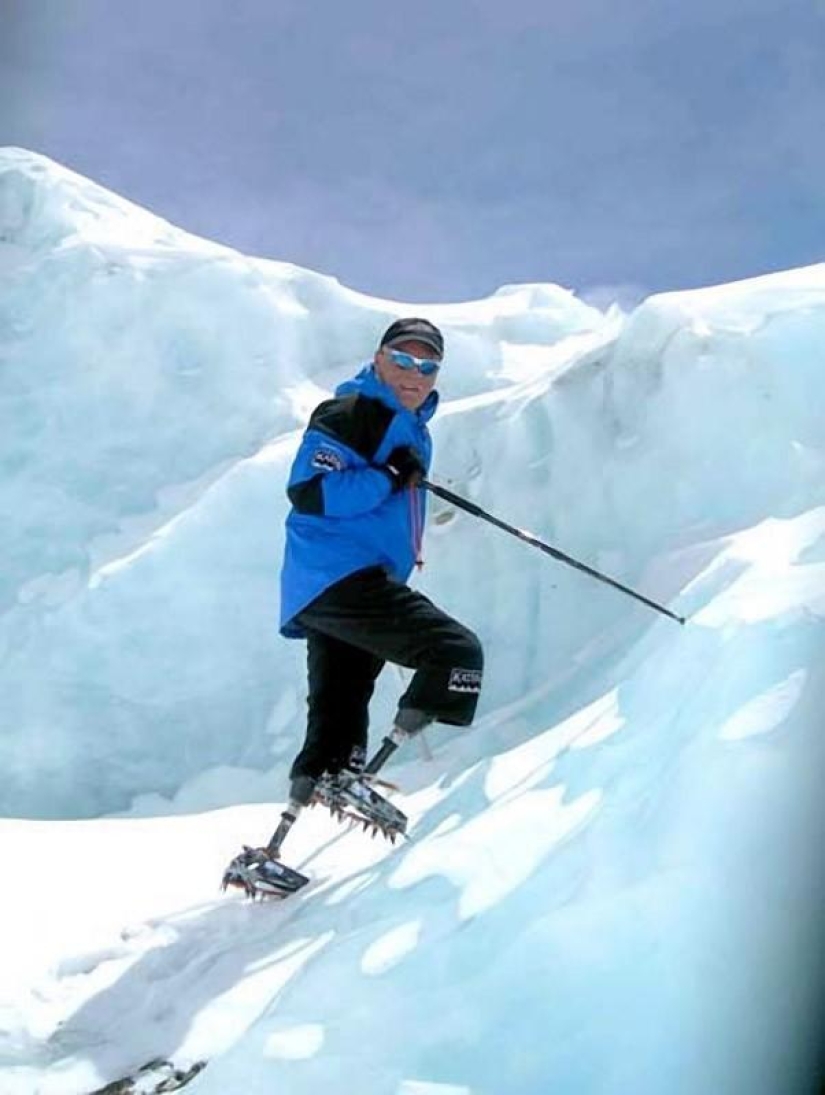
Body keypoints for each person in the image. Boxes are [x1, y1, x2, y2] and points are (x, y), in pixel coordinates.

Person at [279, 319, 482, 830]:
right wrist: (389, 475)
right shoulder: (353, 412)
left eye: (428, 365)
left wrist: (396, 474)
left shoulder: (409, 427)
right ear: (379, 358)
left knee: (341, 703)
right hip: (342, 574)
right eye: (404, 360)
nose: (415, 373)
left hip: (333, 583)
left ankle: (283, 834)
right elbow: (311, 491)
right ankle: (371, 768)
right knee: (455, 652)